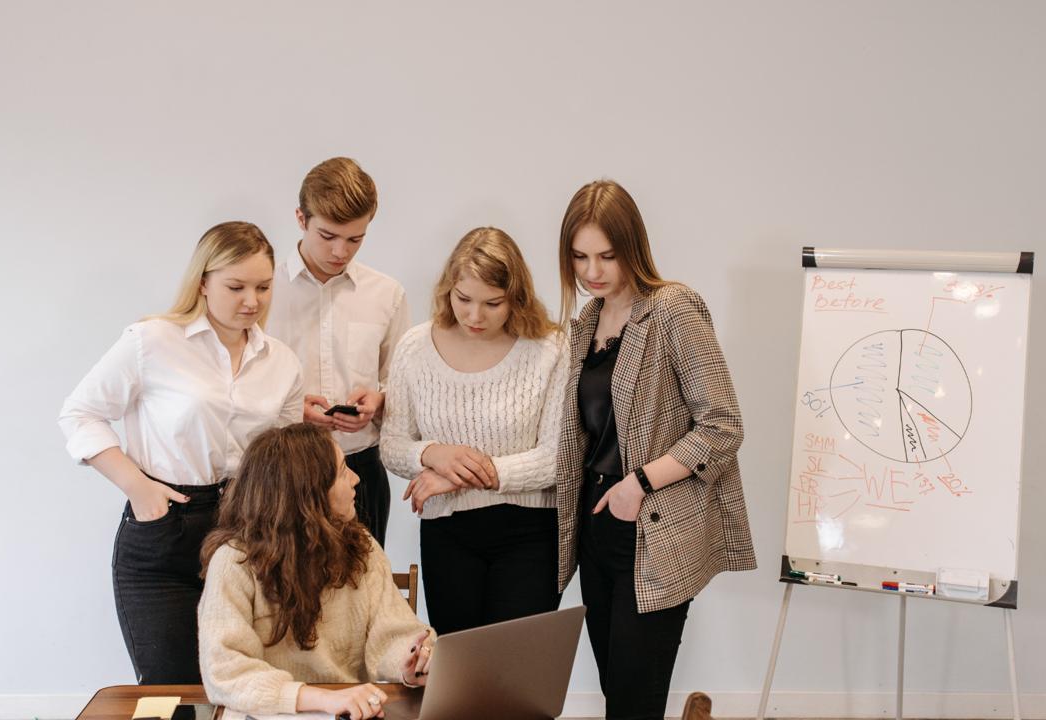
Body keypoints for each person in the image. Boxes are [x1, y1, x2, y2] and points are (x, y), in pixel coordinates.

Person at [58, 221, 303, 684]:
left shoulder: (283, 363)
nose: (251, 301)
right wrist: (140, 488)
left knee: (246, 689)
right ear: (204, 282)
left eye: (263, 287)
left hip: (249, 534)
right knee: (172, 693)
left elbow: (285, 458)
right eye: (236, 286)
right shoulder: (151, 341)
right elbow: (79, 413)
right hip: (165, 532)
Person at [554, 180, 756, 720]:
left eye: (606, 255)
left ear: (633, 247)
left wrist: (639, 483)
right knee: (616, 690)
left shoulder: (672, 309)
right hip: (598, 522)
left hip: (651, 522)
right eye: (579, 256)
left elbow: (723, 424)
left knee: (634, 701)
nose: (592, 270)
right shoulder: (586, 324)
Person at [380, 227, 568, 634]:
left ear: (516, 297)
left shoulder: (550, 348)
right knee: (459, 671)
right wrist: (433, 455)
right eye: (463, 299)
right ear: (448, 289)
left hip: (530, 532)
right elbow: (392, 445)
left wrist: (459, 477)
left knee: (517, 673)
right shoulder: (415, 347)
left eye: (492, 303)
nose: (474, 316)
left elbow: (556, 459)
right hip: (446, 534)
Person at [198, 424, 434, 720]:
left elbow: (392, 635)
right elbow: (226, 672)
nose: (356, 479)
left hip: (347, 711)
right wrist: (322, 699)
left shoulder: (363, 547)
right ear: (308, 493)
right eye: (343, 470)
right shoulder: (233, 563)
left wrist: (412, 661)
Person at [270, 157, 409, 547]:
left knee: (363, 593)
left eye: (355, 239)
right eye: (328, 235)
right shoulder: (264, 291)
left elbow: (402, 382)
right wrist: (290, 411)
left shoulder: (387, 295)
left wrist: (380, 401)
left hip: (360, 468)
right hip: (282, 471)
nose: (340, 251)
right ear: (301, 218)